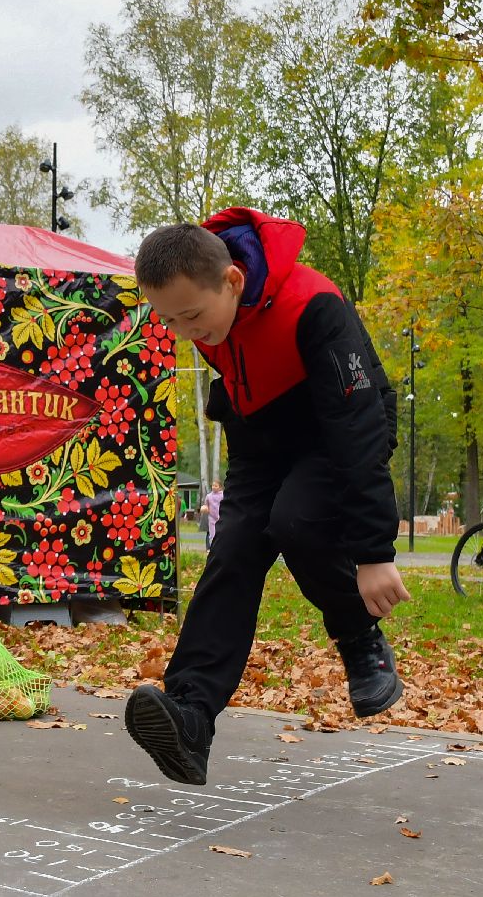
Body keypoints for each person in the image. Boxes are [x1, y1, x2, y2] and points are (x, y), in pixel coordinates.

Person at [122, 210, 408, 786]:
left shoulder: (313, 304)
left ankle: (360, 640)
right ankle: (191, 713)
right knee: (232, 551)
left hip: (337, 430)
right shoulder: (207, 314)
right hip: (261, 441)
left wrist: (374, 553)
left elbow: (357, 427)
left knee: (296, 521)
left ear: (231, 281)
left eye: (192, 316)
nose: (185, 332)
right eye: (169, 320)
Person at [203, 480, 223, 549]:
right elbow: (206, 505)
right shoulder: (208, 496)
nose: (214, 487)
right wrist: (205, 508)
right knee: (212, 534)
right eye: (213, 485)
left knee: (221, 534)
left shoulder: (223, 495)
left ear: (220, 487)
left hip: (221, 517)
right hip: (212, 518)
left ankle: (221, 548)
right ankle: (213, 549)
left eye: (216, 486)